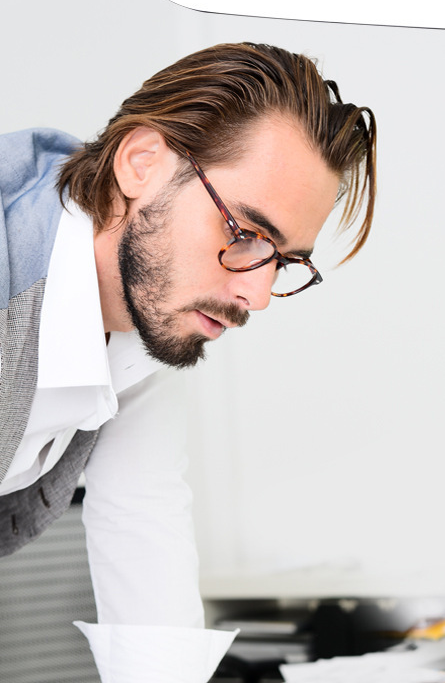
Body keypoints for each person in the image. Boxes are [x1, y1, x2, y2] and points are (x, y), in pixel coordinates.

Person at [0, 42, 376, 680]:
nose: (257, 295)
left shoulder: (141, 318)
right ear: (142, 162)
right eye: (244, 233)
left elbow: (144, 524)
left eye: (284, 262)